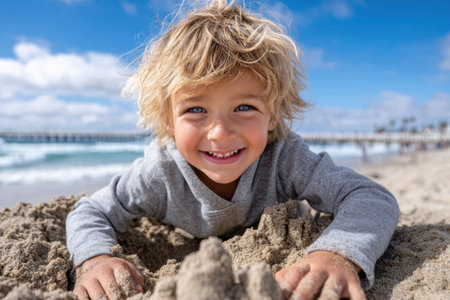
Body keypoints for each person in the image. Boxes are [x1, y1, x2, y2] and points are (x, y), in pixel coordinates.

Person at [66, 1, 399, 299]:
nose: (220, 132)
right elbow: (90, 212)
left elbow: (371, 198)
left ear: (273, 114)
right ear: (169, 121)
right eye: (196, 110)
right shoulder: (159, 173)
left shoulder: (284, 158)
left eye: (244, 107)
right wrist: (94, 259)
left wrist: (337, 254)